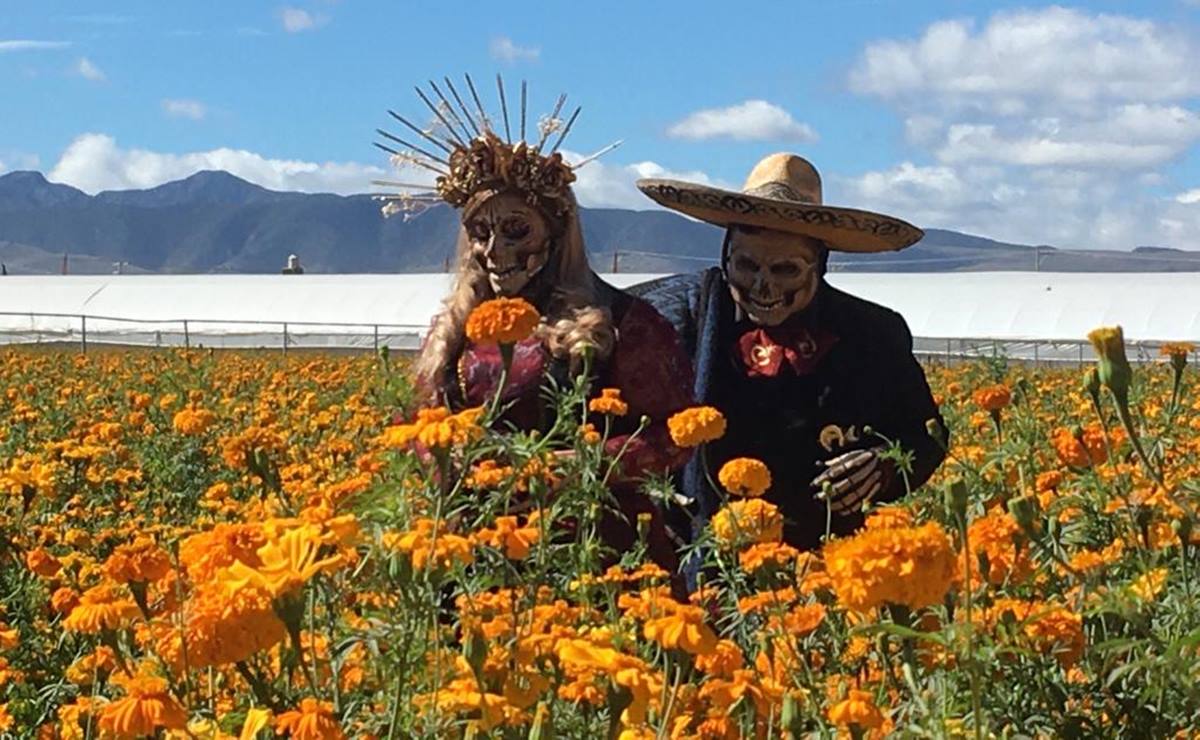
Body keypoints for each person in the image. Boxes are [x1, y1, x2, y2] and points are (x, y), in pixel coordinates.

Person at [378, 77, 695, 572]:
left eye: (516, 230)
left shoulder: (622, 324)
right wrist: (446, 457)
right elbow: (416, 425)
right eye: (480, 232)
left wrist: (569, 467)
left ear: (557, 230)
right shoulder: (453, 330)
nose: (495, 251)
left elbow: (674, 434)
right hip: (477, 550)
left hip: (592, 554)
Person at [633, 153, 947, 552]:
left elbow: (926, 435)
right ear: (725, 256)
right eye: (747, 265)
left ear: (820, 265)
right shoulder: (670, 317)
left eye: (786, 270)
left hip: (822, 557)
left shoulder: (873, 334)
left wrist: (883, 464)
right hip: (695, 553)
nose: (763, 287)